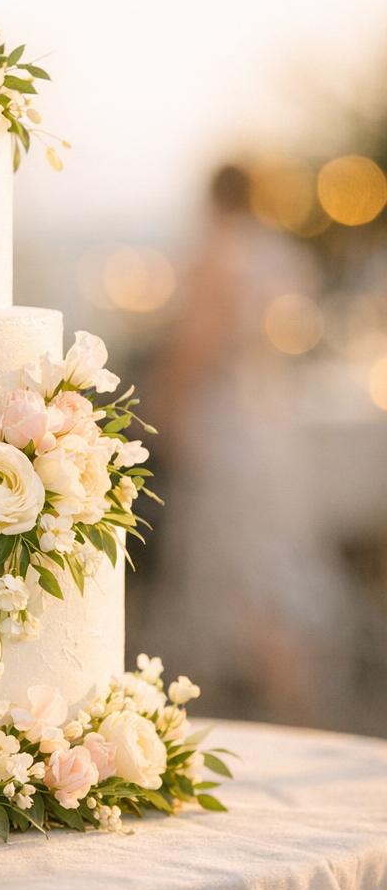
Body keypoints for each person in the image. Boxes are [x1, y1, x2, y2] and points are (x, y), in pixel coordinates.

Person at [146, 162, 347, 724]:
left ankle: (281, 694)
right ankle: (289, 691)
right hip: (271, 421)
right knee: (269, 555)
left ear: (213, 197)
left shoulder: (218, 256)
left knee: (238, 565)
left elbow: (194, 348)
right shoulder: (280, 255)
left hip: (225, 425)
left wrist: (160, 416)